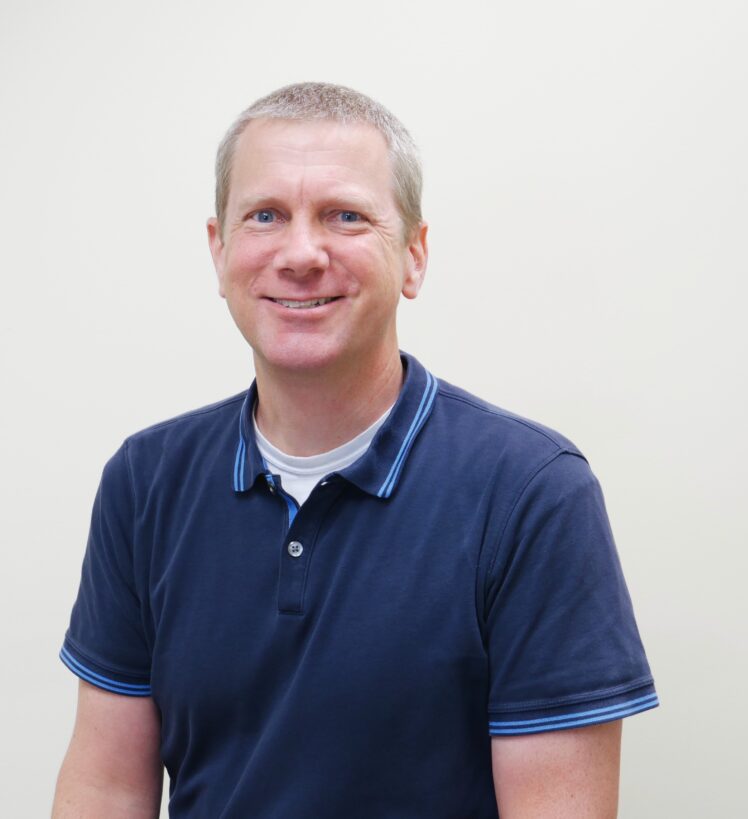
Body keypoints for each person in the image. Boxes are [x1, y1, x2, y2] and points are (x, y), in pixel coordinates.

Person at [51, 82, 658, 818]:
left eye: (345, 216)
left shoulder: (532, 493)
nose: (301, 254)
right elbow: (107, 788)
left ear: (414, 255)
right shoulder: (146, 482)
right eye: (265, 215)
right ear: (219, 250)